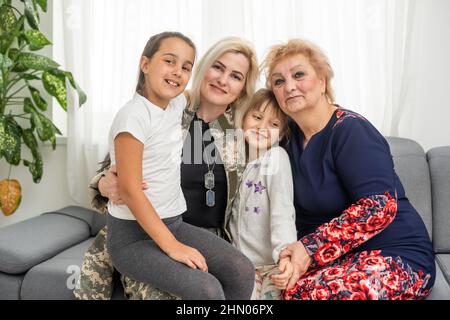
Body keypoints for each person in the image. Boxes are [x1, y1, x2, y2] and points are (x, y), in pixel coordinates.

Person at [74, 36, 259, 300]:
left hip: (192, 231)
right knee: (198, 291)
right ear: (203, 69)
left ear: (243, 88)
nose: (223, 79)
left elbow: (287, 114)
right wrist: (104, 182)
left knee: (240, 271)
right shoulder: (171, 106)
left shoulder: (246, 128)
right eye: (218, 67)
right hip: (144, 232)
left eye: (236, 76)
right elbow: (116, 170)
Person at [262, 39, 435, 300]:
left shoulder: (350, 129)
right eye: (278, 81)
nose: (289, 86)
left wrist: (309, 248)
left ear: (322, 82)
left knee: (314, 295)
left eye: (299, 74)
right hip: (335, 260)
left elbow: (378, 206)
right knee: (267, 290)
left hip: (395, 255)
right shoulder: (285, 143)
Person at [228, 88, 297, 300]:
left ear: (282, 133)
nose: (262, 127)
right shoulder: (235, 161)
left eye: (274, 124)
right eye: (256, 117)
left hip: (272, 264)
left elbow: (282, 211)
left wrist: (285, 255)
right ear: (243, 118)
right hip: (241, 265)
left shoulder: (276, 157)